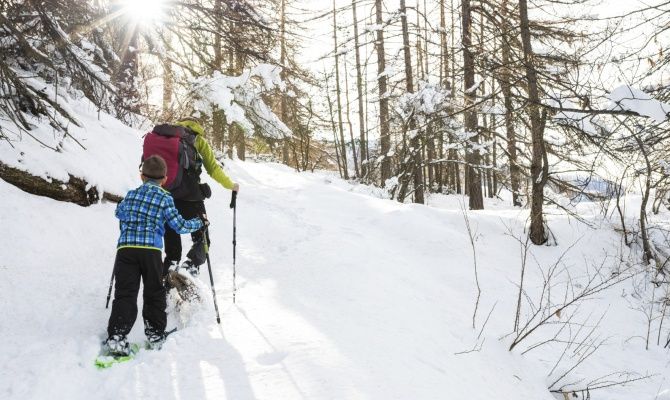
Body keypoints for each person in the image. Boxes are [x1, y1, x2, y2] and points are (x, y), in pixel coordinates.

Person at [104, 155, 206, 356]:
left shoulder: (131, 195)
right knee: (153, 293)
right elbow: (179, 225)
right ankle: (155, 335)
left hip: (126, 250)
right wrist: (199, 222)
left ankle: (117, 337)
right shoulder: (165, 198)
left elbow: (119, 213)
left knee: (125, 293)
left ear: (141, 176)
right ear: (165, 179)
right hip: (150, 251)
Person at [162, 117, 239, 276]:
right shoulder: (198, 140)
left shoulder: (166, 137)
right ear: (197, 126)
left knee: (172, 246)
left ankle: (169, 274)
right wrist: (231, 185)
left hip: (167, 197)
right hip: (191, 197)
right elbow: (213, 170)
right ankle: (190, 267)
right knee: (202, 239)